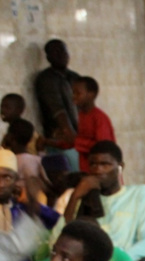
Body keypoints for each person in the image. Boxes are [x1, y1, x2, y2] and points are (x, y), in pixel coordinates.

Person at [63, 141, 145, 261]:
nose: (98, 170)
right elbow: (60, 237)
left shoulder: (139, 194)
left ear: (120, 167)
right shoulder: (84, 198)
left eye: (105, 164)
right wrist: (75, 196)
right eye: (93, 164)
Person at [0, 149, 59, 261]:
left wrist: (32, 204)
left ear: (16, 180)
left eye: (6, 178)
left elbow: (57, 221)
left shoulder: (20, 207)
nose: (1, 184)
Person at [34, 39, 80, 170]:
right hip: (59, 140)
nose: (61, 55)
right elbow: (57, 108)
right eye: (56, 52)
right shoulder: (46, 78)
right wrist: (68, 133)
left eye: (63, 51)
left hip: (78, 138)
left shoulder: (74, 77)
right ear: (48, 57)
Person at [71, 76, 115, 173]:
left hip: (102, 174)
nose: (73, 96)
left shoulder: (99, 118)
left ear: (91, 95)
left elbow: (103, 147)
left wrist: (76, 141)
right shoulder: (81, 115)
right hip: (87, 170)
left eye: (78, 93)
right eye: (73, 93)